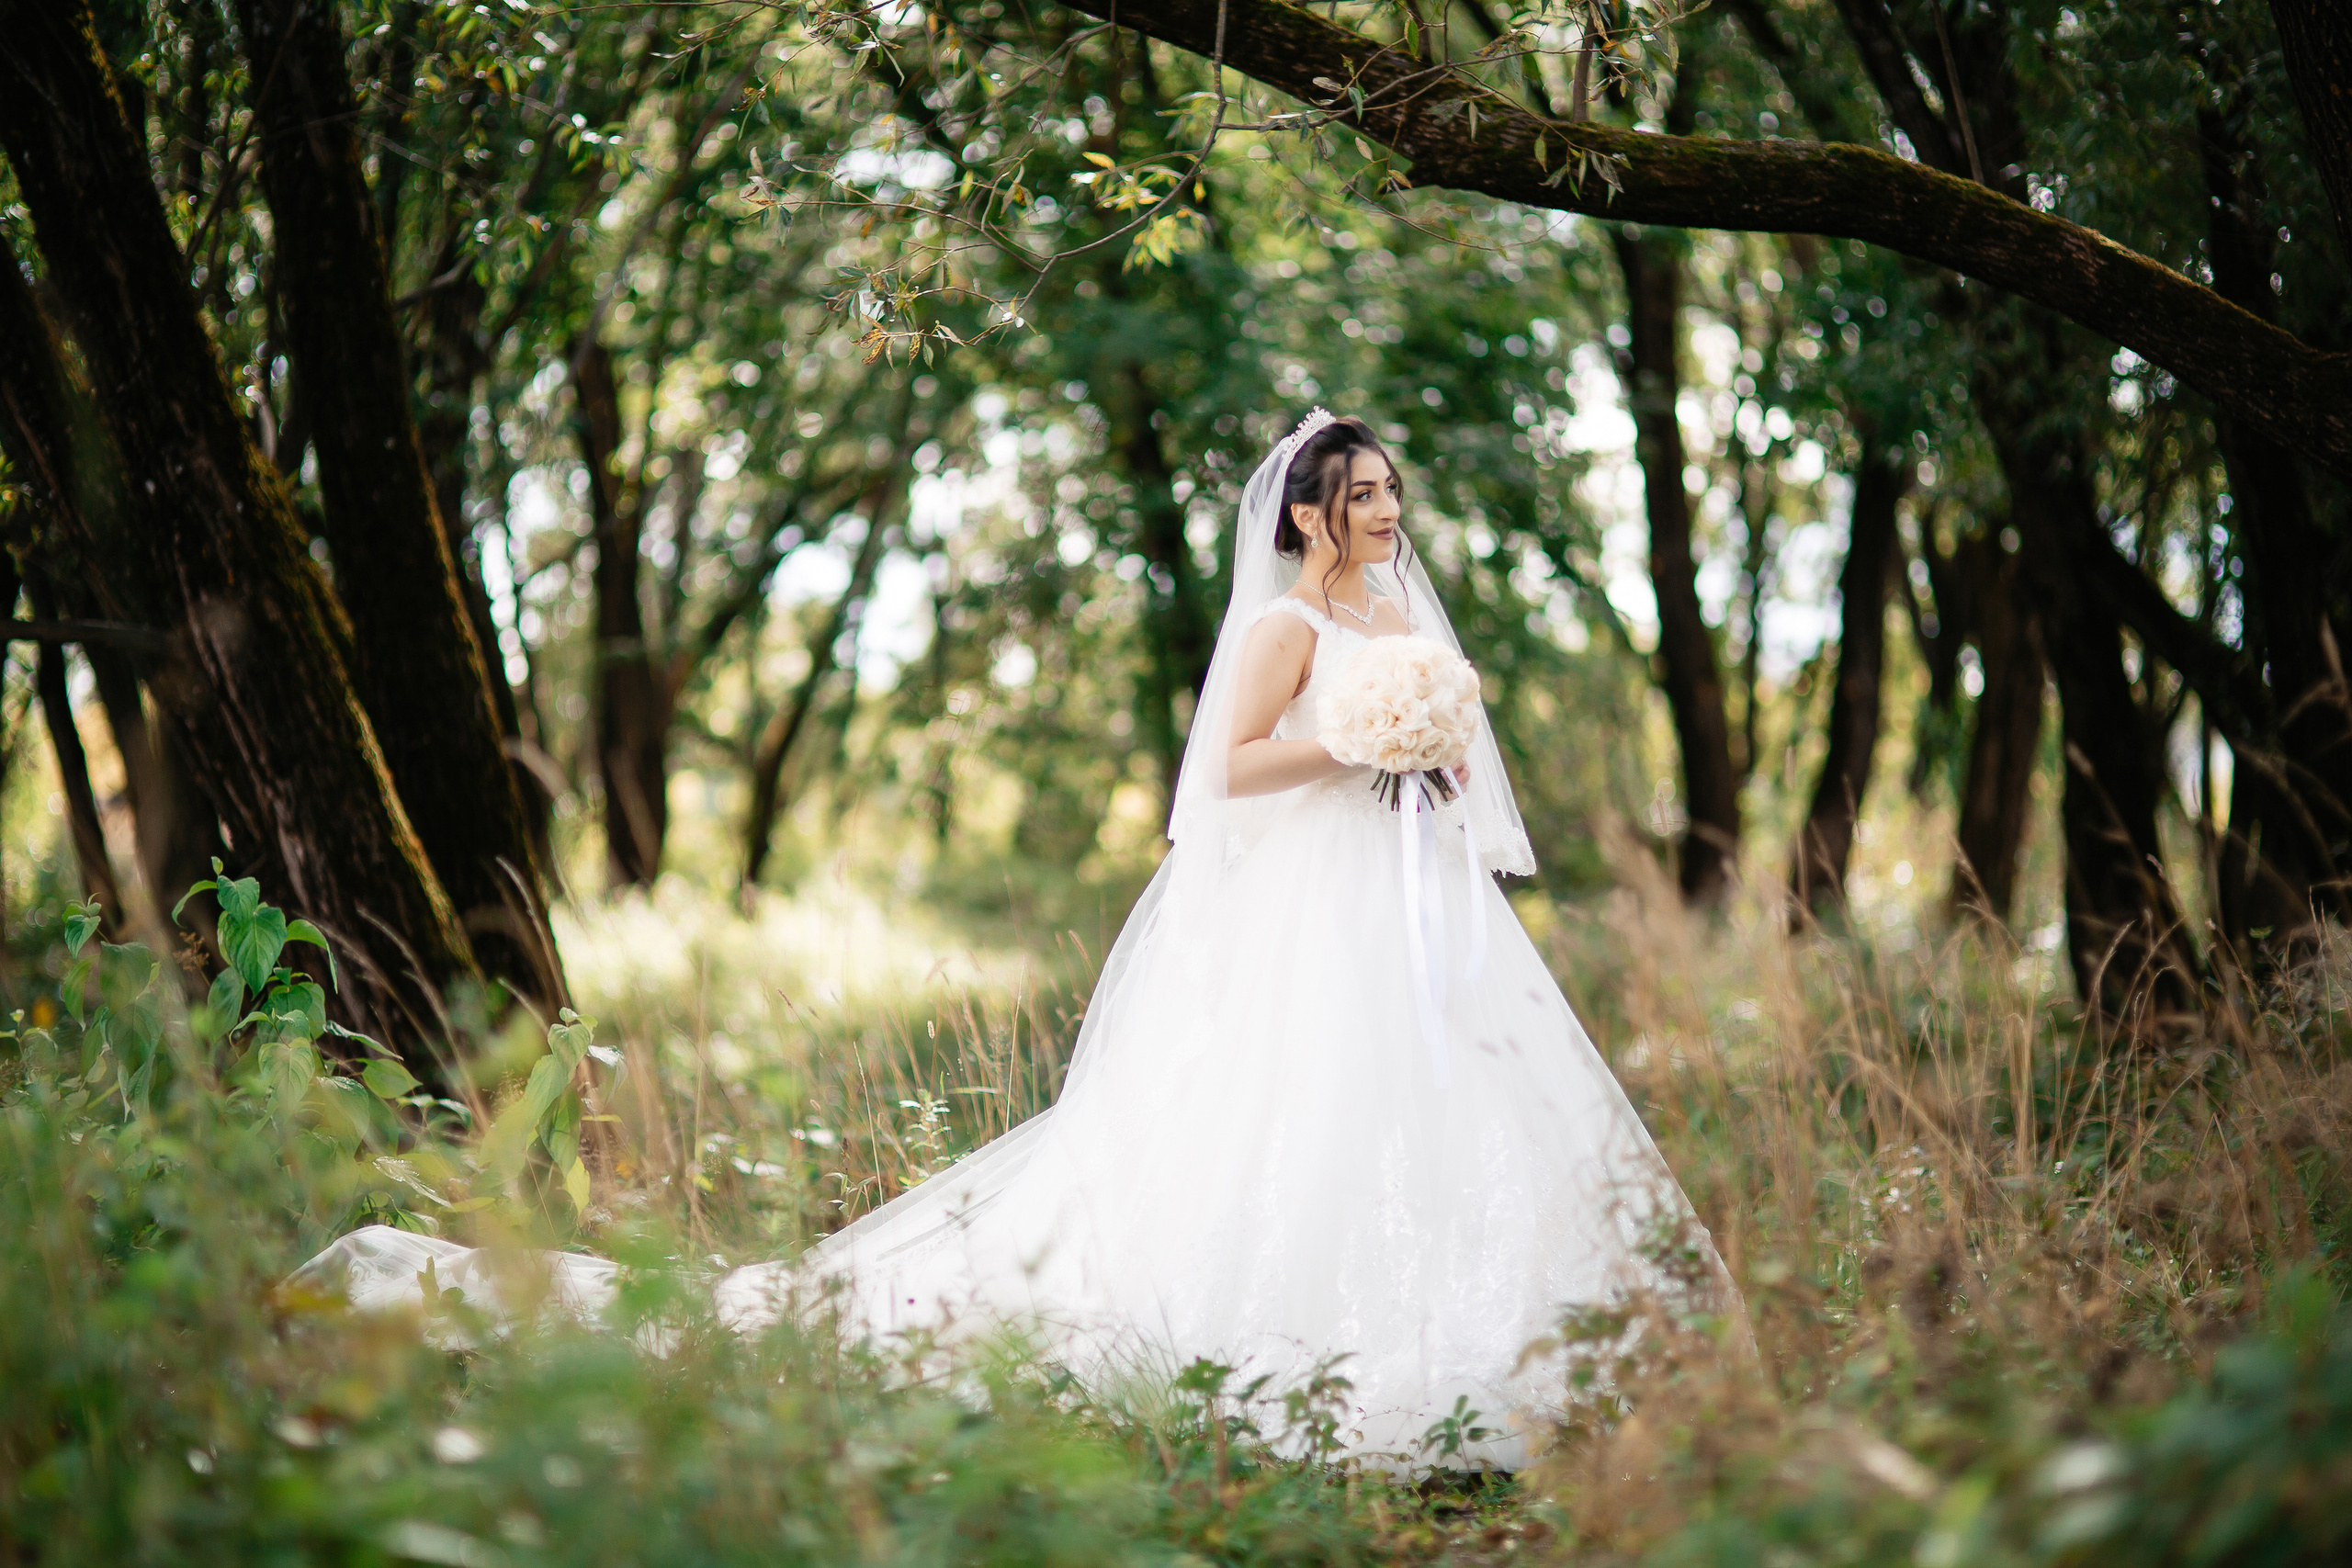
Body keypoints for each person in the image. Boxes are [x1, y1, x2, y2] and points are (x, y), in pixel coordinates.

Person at [296, 409, 1736, 1468]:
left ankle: (1512, 1327)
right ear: (1302, 517)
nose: (1382, 514)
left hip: (1407, 892)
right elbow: (1222, 775)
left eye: (1389, 494)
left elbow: (1439, 752)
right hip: (1311, 900)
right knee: (1299, 1105)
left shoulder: (1397, 615)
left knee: (1438, 1090)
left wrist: (1430, 750)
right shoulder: (1288, 627)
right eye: (1359, 498)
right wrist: (1350, 750)